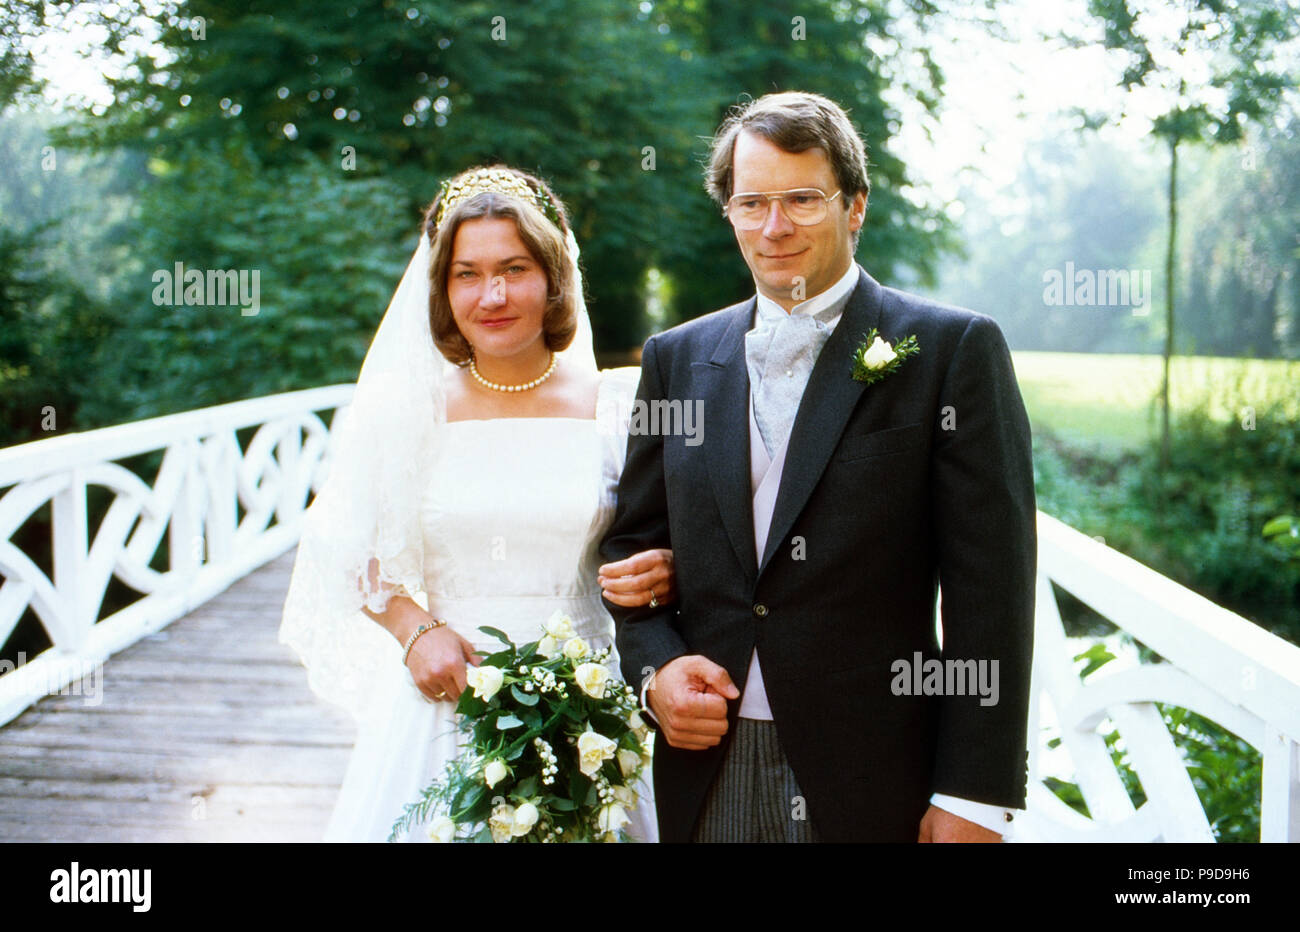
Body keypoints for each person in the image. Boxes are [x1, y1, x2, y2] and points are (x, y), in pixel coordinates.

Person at [601, 91, 1036, 843]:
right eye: (752, 203)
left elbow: (991, 587)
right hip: (710, 762)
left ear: (855, 205)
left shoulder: (950, 352)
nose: (774, 228)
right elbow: (632, 547)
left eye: (803, 199)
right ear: (729, 213)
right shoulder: (674, 359)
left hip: (876, 771)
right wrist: (655, 671)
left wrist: (973, 793)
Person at [279, 165, 671, 842]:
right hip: (448, 699)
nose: (492, 294)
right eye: (467, 273)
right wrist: (414, 631)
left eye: (515, 268)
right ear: (441, 287)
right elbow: (343, 548)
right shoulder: (407, 412)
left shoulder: (616, 409)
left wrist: (667, 570)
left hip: (592, 713)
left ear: (552, 278)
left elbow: (659, 537)